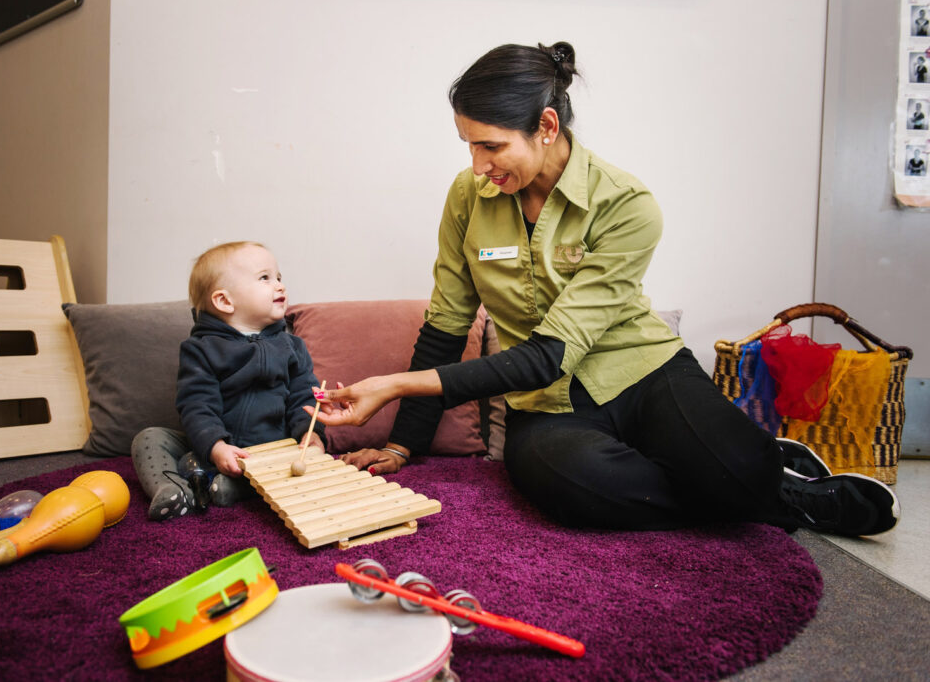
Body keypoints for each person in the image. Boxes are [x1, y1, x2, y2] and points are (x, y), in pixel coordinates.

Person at [310, 41, 899, 537]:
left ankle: (766, 480)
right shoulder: (468, 197)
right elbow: (446, 322)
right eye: (468, 144)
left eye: (490, 145)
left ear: (545, 126)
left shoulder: (628, 204)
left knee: (739, 467)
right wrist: (403, 446)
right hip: (547, 408)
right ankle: (771, 497)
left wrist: (388, 387)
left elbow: (550, 353)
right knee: (574, 493)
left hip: (643, 373)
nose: (477, 164)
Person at [131, 241, 325, 520]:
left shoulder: (292, 347)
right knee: (148, 437)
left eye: (279, 277)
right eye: (265, 278)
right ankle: (171, 488)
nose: (280, 285)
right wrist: (215, 446)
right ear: (224, 301)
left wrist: (311, 433)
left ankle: (226, 485)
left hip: (269, 452)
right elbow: (196, 404)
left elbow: (303, 397)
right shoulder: (200, 349)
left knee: (280, 465)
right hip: (213, 443)